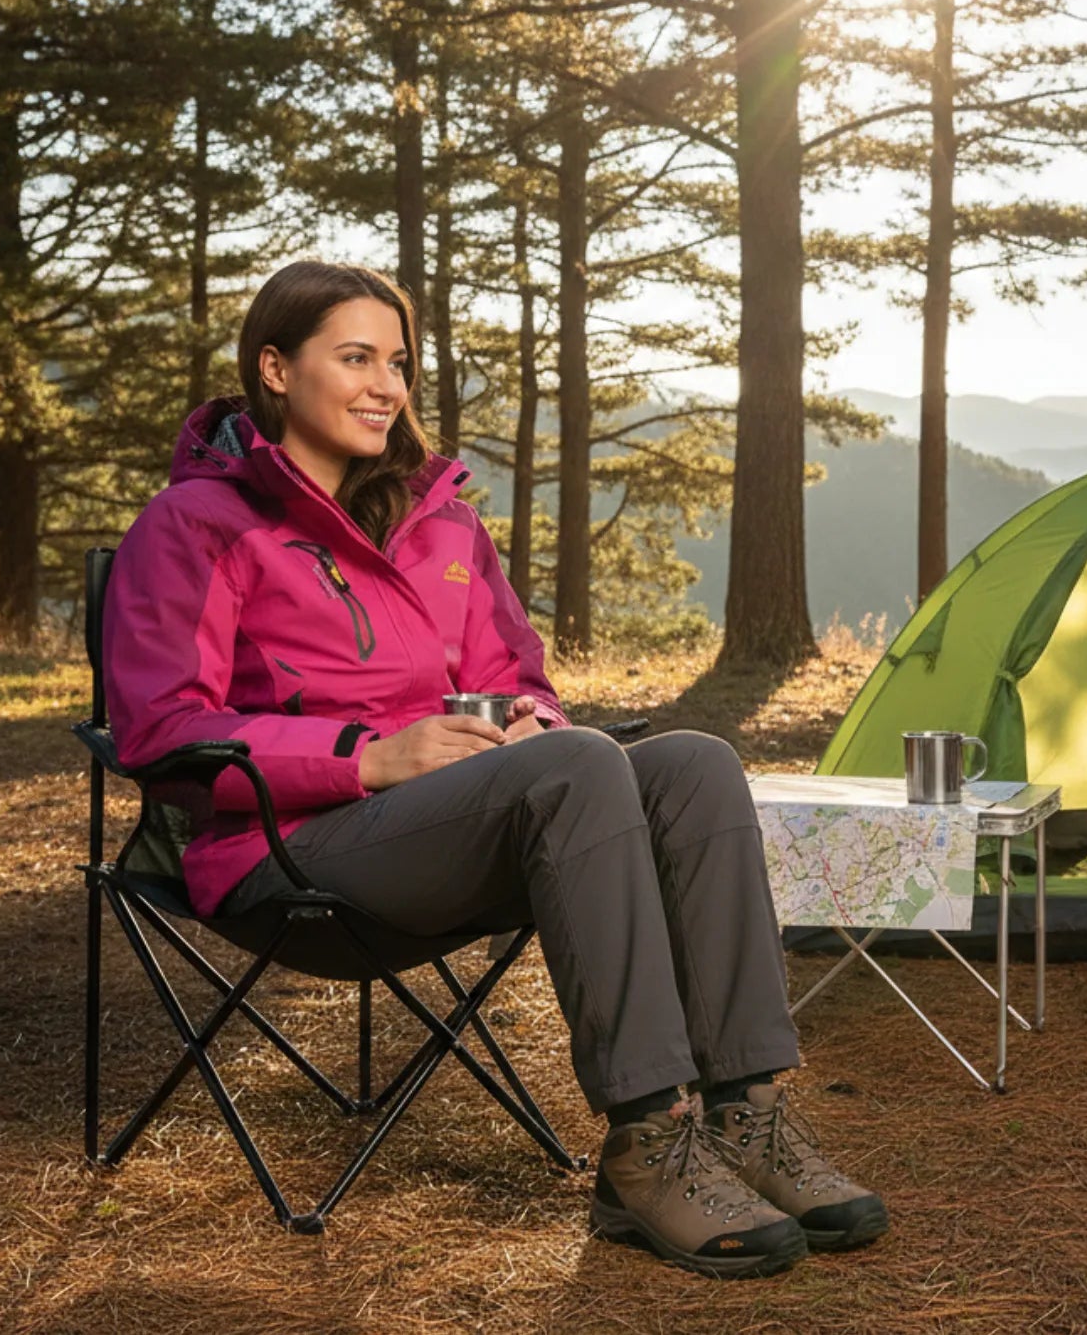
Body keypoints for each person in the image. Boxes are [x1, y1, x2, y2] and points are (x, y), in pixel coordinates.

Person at [103, 259, 887, 1277]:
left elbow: (517, 676)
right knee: (577, 770)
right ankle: (650, 1143)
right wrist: (367, 757)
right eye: (355, 358)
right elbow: (163, 732)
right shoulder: (198, 525)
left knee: (693, 763)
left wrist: (530, 720)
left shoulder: (441, 522)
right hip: (286, 852)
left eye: (400, 363)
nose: (386, 386)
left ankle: (747, 1113)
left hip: (460, 826)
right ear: (274, 369)